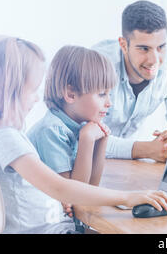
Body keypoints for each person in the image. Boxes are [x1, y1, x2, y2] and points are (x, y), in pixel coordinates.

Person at [0, 35, 167, 234]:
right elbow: (60, 187)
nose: (36, 99)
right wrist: (127, 198)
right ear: (9, 90)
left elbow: (64, 189)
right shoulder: (6, 137)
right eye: (32, 90)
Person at [93, 0, 167, 162]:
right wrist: (147, 150)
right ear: (123, 45)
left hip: (124, 165)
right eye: (144, 49)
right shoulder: (96, 65)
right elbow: (86, 138)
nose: (154, 60)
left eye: (161, 47)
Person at [27, 45, 115, 218]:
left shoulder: (80, 125)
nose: (109, 103)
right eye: (102, 94)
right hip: (41, 221)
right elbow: (75, 197)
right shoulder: (51, 131)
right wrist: (87, 139)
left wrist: (102, 139)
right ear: (71, 94)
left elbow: (91, 189)